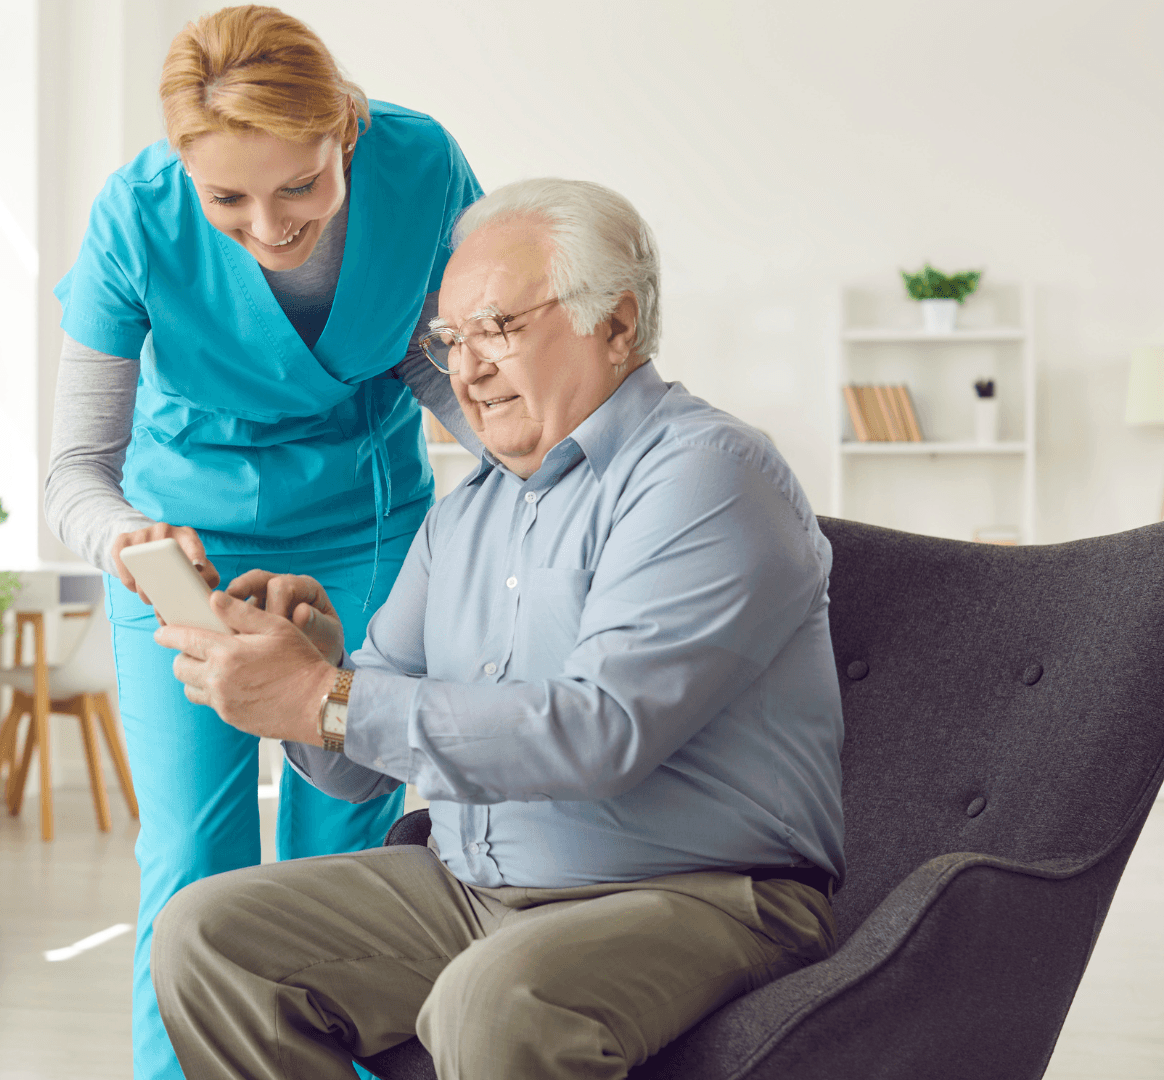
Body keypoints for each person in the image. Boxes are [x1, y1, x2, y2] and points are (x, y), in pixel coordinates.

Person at [149, 178, 847, 1080]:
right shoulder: (467, 511)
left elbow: (603, 731)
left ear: (618, 326)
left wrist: (330, 696)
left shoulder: (706, 475)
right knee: (206, 936)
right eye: (449, 339)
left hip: (701, 894)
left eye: (499, 330)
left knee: (495, 999)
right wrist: (312, 674)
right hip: (476, 890)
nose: (464, 370)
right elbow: (357, 764)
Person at [44, 8, 483, 1073]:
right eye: (227, 199)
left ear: (345, 129)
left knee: (346, 851)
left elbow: (441, 361)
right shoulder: (136, 216)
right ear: (183, 171)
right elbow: (71, 476)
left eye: (301, 187)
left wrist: (539, 459)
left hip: (366, 534)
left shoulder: (422, 166)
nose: (269, 226)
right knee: (194, 852)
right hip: (183, 553)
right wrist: (126, 538)